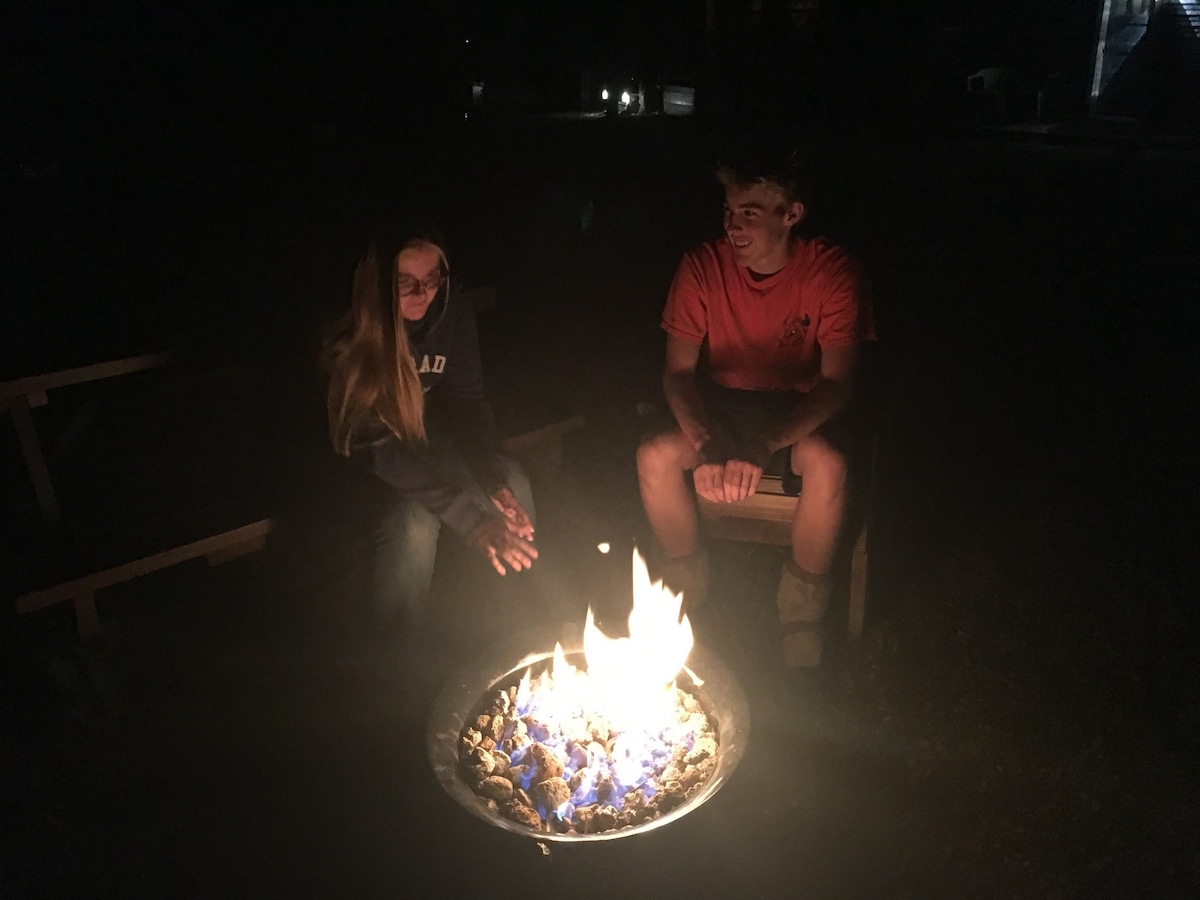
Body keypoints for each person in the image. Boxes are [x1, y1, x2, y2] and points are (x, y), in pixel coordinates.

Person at [636, 152, 875, 667]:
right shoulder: (702, 265)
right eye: (728, 210)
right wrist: (706, 442)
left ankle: (801, 621)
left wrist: (764, 444)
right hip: (721, 402)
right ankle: (681, 602)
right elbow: (677, 374)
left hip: (797, 407)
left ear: (791, 214)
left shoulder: (831, 271)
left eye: (750, 212)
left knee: (829, 462)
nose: (733, 224)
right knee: (655, 454)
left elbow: (837, 384)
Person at [322, 222, 537, 651]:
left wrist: (491, 479)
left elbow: (468, 401)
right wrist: (473, 523)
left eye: (433, 279)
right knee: (414, 525)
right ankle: (395, 657)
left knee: (513, 486)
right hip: (363, 456)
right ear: (380, 283)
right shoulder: (354, 336)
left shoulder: (451, 312)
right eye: (406, 283)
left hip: (422, 435)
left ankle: (514, 632)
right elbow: (380, 451)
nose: (423, 293)